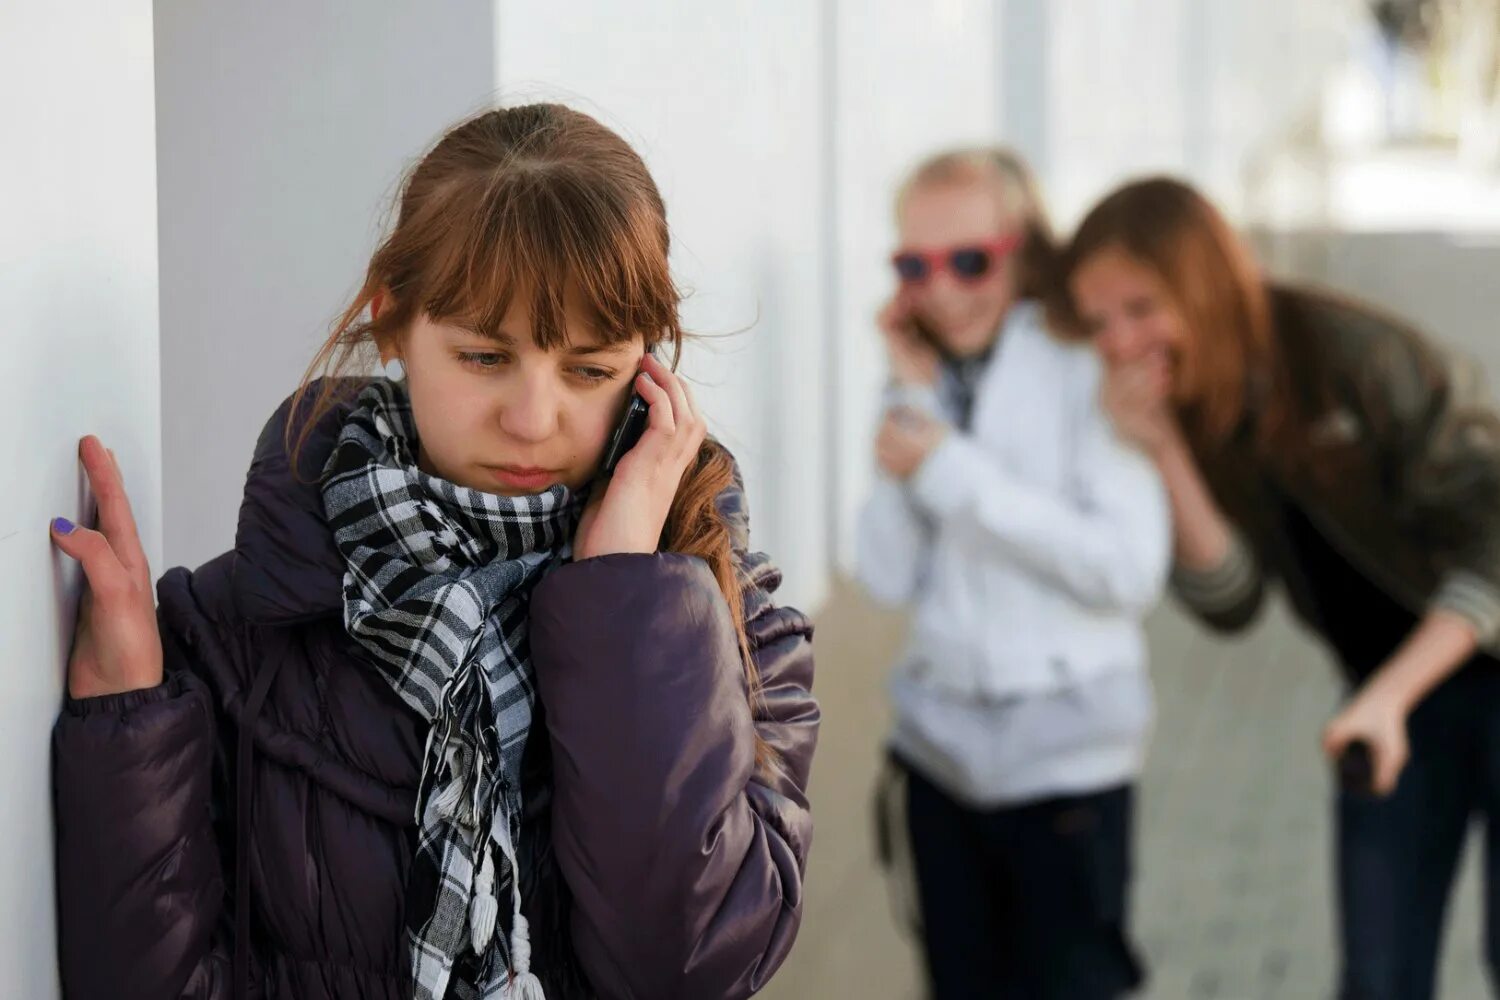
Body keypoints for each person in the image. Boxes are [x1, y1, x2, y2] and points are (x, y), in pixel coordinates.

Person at [48, 103, 819, 1000]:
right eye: (485, 358)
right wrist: (128, 721)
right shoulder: (237, 632)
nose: (532, 421)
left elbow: (684, 973)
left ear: (651, 368)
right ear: (392, 322)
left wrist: (623, 597)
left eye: (590, 370)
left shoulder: (735, 630)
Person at [1057, 175, 1500, 1000]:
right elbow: (1231, 603)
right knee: (1376, 977)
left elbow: (1496, 542)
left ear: (1206, 283)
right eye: (1097, 322)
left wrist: (1390, 694)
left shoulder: (1354, 354)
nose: (1117, 342)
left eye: (1141, 308)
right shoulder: (1191, 400)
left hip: (1451, 663)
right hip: (1392, 699)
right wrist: (1162, 449)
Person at [856, 148, 1170, 999]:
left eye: (969, 261)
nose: (944, 289)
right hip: (940, 763)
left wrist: (952, 471)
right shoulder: (920, 381)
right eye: (914, 266)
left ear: (1023, 248)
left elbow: (1128, 569)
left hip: (1067, 769)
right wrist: (906, 397)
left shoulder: (1088, 363)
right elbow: (884, 573)